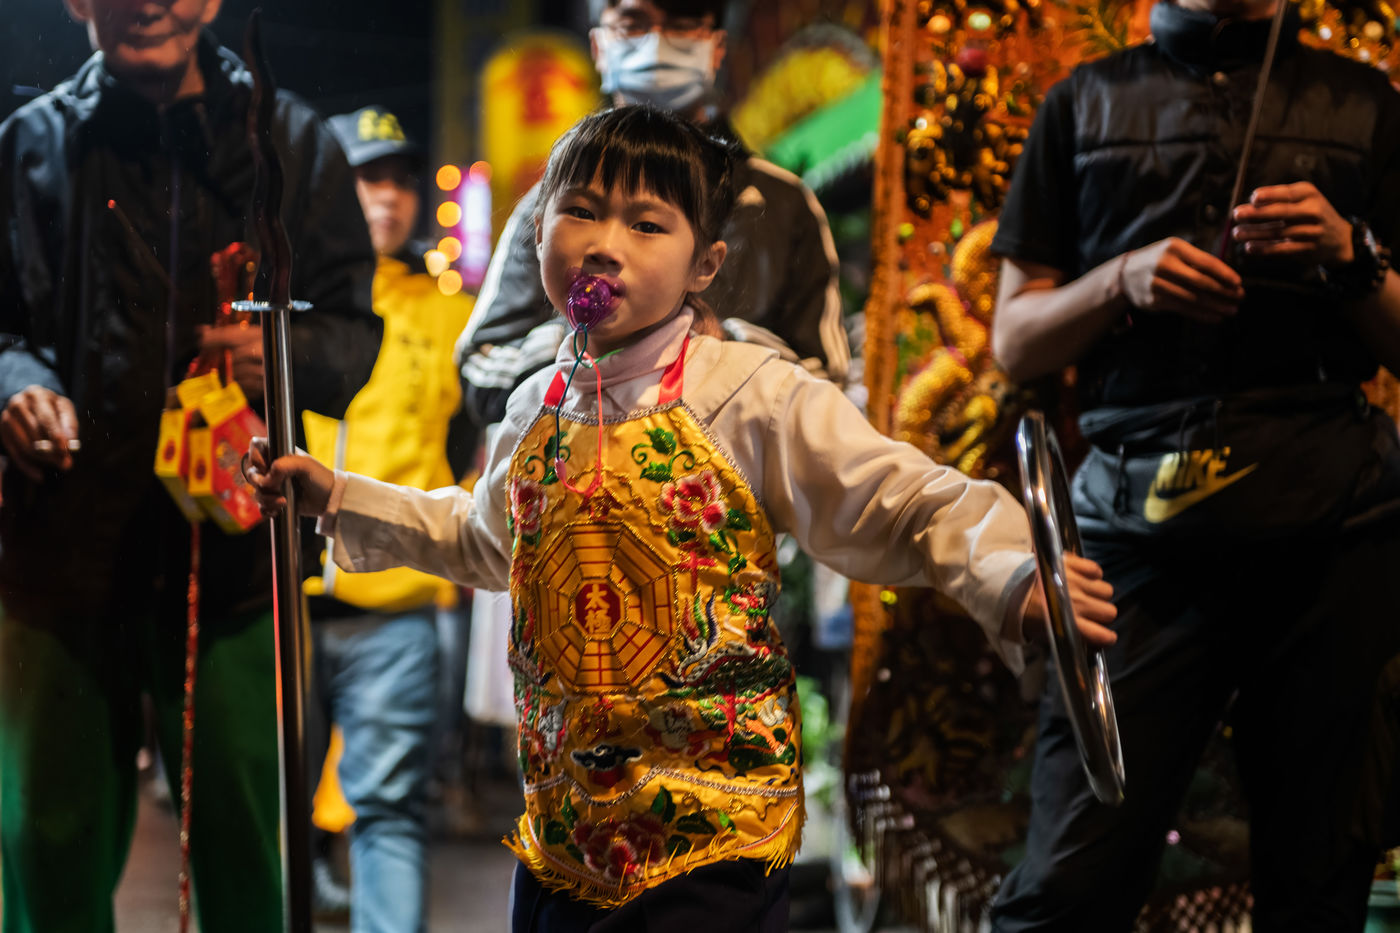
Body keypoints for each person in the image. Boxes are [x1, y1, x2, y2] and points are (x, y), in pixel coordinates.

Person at [247, 104, 1119, 931]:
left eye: (646, 224)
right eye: (580, 211)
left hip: (713, 840)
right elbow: (486, 540)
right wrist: (339, 495)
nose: (604, 244)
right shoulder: (533, 406)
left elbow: (903, 499)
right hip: (562, 833)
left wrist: (1012, 572)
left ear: (706, 264)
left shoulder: (752, 391)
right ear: (538, 233)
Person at [985, 0, 1400, 928]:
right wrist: (1120, 279)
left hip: (1334, 530)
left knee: (1321, 876)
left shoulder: (1366, 103)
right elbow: (1014, 340)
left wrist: (1351, 255)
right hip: (1136, 533)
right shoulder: (1082, 102)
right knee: (1069, 880)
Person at [0, 1, 382, 930]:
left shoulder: (288, 143)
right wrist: (16, 386)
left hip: (237, 568)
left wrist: (279, 353)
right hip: (56, 565)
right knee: (45, 849)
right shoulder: (29, 144)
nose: (148, 3)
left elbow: (351, 330)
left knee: (245, 852)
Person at [456, 0, 851, 456]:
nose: (657, 42)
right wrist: (582, 350)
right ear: (599, 46)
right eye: (634, 22)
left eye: (682, 23)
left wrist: (714, 352)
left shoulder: (781, 202)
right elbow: (480, 364)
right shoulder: (549, 201)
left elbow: (826, 381)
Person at [303, 104, 477, 933]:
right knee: (263, 809)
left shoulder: (451, 312)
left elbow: (472, 439)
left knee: (391, 811)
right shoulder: (286, 297)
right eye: (365, 177)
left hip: (399, 606)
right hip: (278, 601)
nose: (387, 196)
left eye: (401, 180)